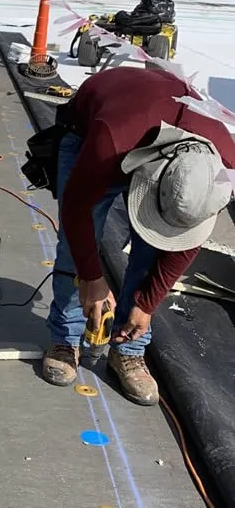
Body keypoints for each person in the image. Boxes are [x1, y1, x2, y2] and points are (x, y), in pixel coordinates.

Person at [43, 66, 235, 406]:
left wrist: (147, 304)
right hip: (95, 128)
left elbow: (186, 243)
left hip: (156, 130)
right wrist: (91, 278)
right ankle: (66, 337)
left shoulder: (222, 169)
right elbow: (76, 211)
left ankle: (128, 349)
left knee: (150, 253)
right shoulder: (110, 140)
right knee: (75, 251)